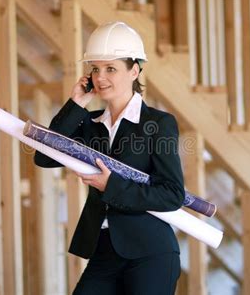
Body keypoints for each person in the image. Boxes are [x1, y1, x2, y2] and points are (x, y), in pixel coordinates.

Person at [34, 21, 185, 295]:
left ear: (134, 70)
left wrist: (111, 186)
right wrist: (76, 104)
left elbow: (172, 194)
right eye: (95, 69)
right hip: (103, 251)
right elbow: (44, 157)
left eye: (111, 68)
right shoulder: (89, 124)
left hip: (150, 253)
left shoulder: (158, 124)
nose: (100, 77)